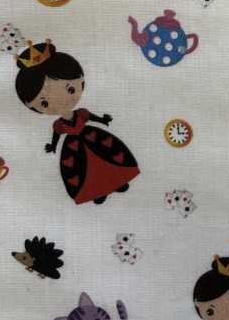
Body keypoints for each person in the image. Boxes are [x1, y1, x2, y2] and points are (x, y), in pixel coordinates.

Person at [14, 41, 140, 205]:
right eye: (44, 103)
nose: (62, 102)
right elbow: (56, 135)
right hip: (74, 147)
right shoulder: (59, 125)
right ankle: (97, 191)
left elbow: (92, 117)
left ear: (81, 79)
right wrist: (53, 146)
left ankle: (118, 182)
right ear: (30, 105)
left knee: (107, 158)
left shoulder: (81, 114)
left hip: (93, 138)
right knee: (84, 168)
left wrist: (103, 120)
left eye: (70, 89)